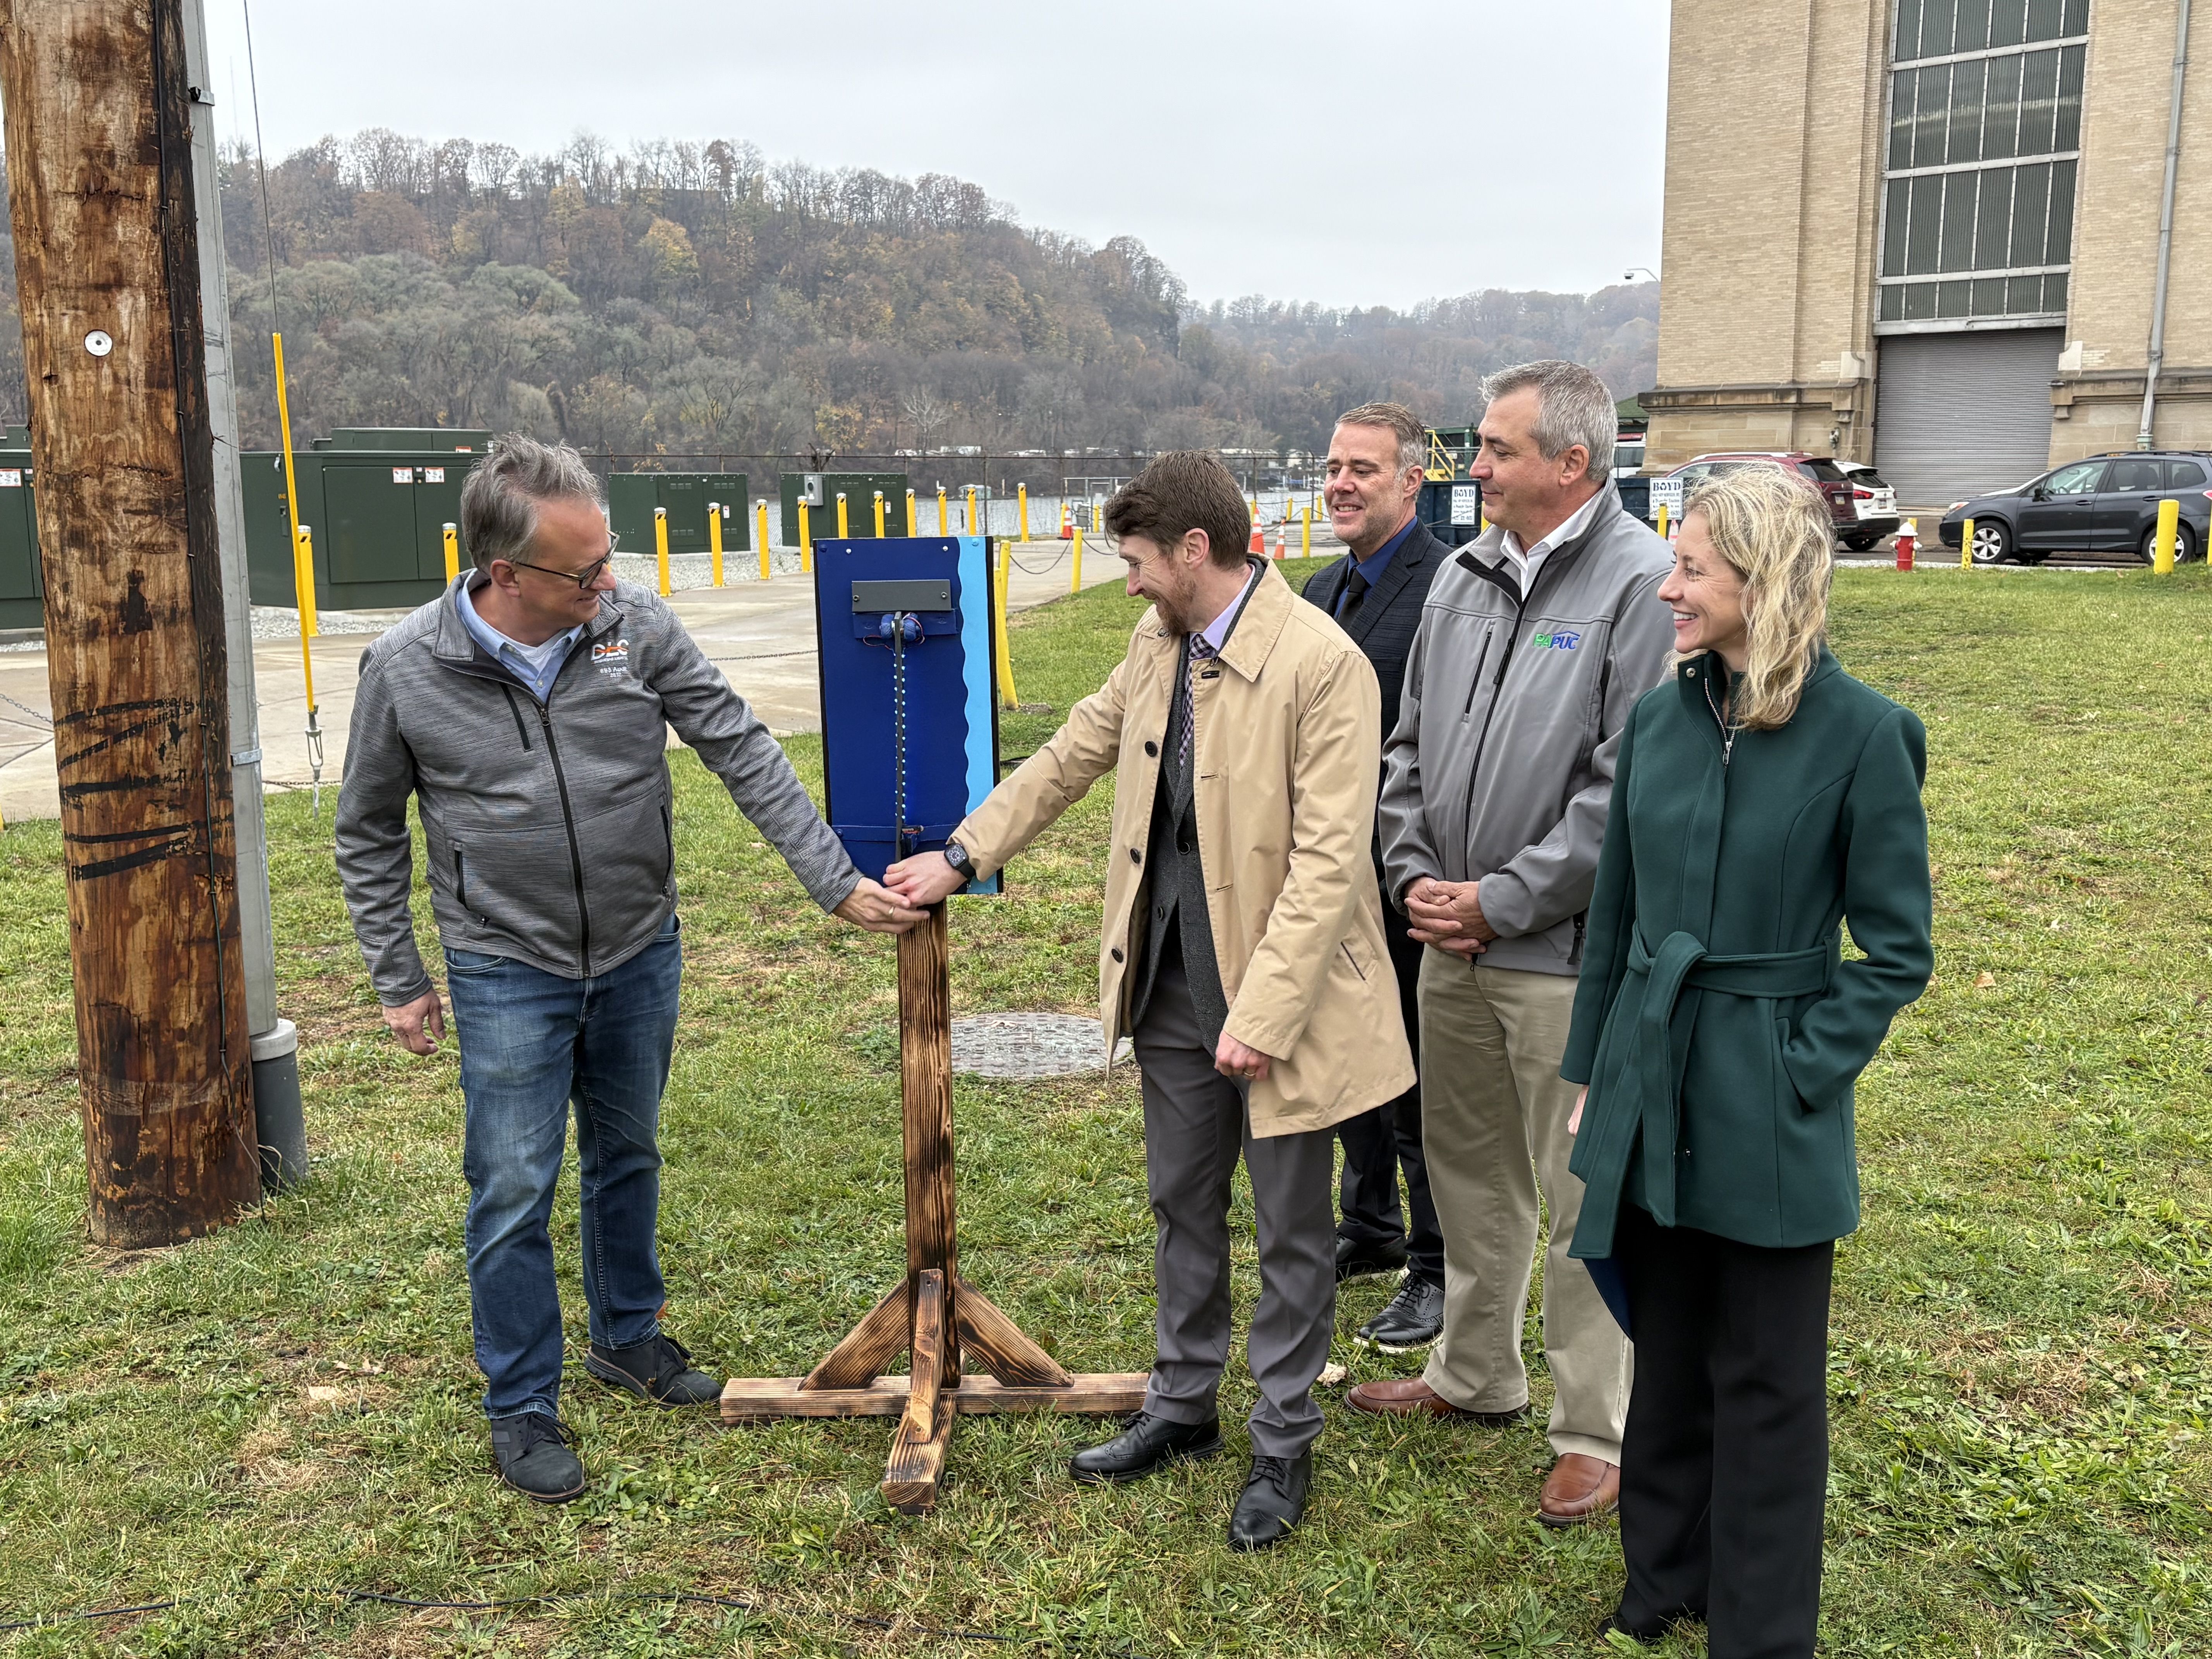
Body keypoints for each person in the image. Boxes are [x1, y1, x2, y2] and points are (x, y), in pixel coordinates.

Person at [335, 436, 923, 1504]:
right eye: (583, 571)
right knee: (513, 1184)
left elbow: (738, 742)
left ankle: (626, 1336)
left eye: (608, 559)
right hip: (504, 960)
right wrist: (397, 973)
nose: (608, 585)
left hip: (639, 943)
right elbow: (367, 828)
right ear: (502, 573)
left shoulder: (632, 625)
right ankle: (521, 1401)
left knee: (629, 1147)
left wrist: (831, 880)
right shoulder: (406, 666)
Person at [886, 450, 1412, 1552]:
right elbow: (1077, 748)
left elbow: (1329, 865)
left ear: (1192, 551)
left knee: (1291, 1228)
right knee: (1181, 1201)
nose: (1125, 582)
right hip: (1171, 979)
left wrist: (1261, 1014)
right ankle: (1182, 1404)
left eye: (1135, 561)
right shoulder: (1158, 640)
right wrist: (963, 851)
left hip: (1287, 998)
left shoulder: (1325, 665)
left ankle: (1282, 1435)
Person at [1563, 464, 1932, 1653]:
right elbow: (1614, 918)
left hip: (1768, 1091)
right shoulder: (1659, 718)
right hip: (1649, 1068)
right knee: (1667, 1347)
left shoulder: (1868, 734)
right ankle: (1662, 1576)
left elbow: (1896, 946)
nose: (1668, 586)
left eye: (1692, 569)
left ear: (1764, 582)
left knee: (1769, 1378)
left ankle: (1762, 1624)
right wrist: (1589, 1080)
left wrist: (1802, 1066)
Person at [1354, 360, 1673, 1530]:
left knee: (1583, 1192)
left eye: (1493, 449)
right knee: (1468, 1168)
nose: (1471, 467)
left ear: (1571, 464)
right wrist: (1416, 877)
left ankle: (1596, 1429)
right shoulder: (1467, 575)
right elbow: (1409, 747)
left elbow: (1623, 787)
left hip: (1561, 957)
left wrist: (1505, 898)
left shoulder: (1643, 586)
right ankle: (1474, 1372)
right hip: (1450, 941)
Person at [1298, 402, 1451, 1350]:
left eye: (1364, 468)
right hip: (1326, 879)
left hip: (1405, 873)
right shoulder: (1318, 589)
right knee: (1348, 1064)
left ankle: (1437, 1265)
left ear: (1411, 482)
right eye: (1332, 466)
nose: (1342, 483)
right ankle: (1372, 1227)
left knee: (1418, 1085)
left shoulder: (1451, 588)